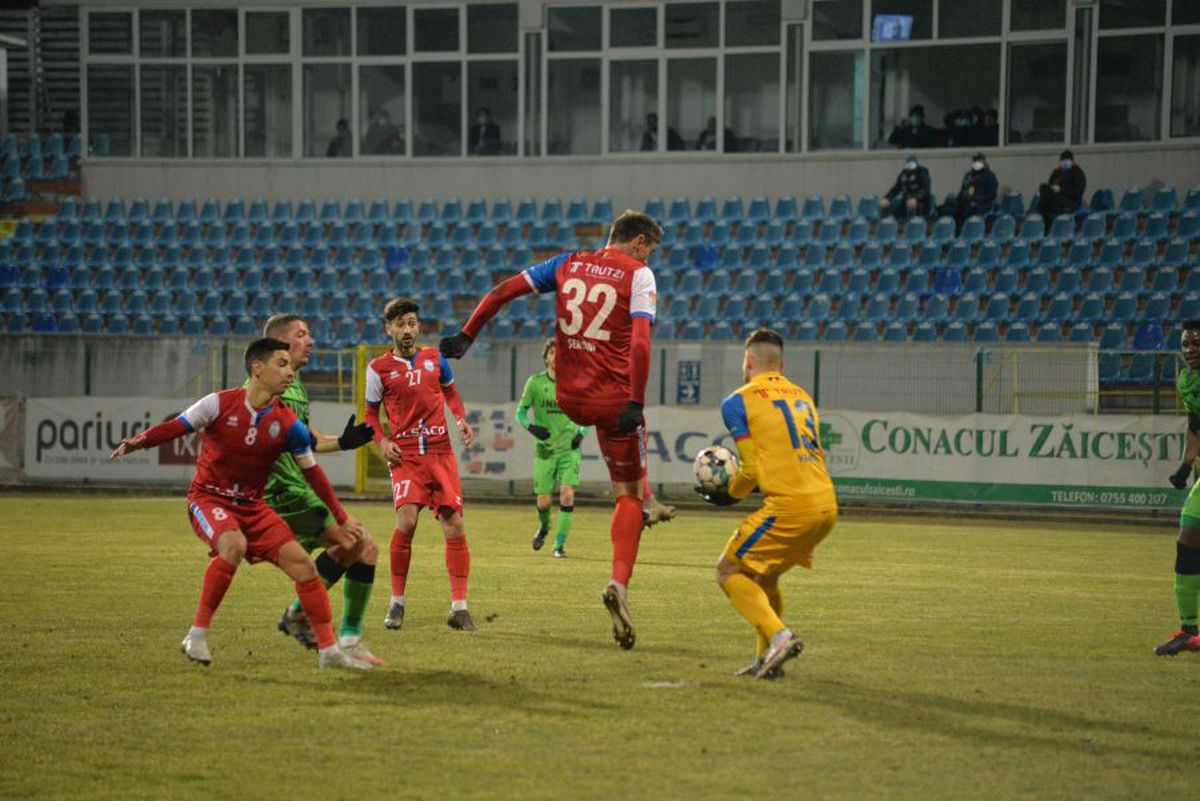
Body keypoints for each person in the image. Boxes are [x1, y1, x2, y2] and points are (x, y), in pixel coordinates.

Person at [440, 209, 674, 650]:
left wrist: (468, 336)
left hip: (568, 397)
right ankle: (619, 584)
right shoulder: (640, 273)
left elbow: (503, 290)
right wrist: (636, 401)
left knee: (604, 472)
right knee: (627, 495)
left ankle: (642, 508)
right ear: (640, 242)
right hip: (612, 402)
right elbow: (641, 342)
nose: (651, 256)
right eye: (652, 249)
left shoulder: (567, 262)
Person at [109, 338, 372, 671]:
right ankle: (197, 635)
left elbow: (314, 474)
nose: (290, 371)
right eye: (282, 364)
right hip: (208, 498)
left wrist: (342, 516)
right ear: (257, 368)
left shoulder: (288, 423)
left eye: (290, 365)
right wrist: (138, 442)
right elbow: (176, 427)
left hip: (252, 506)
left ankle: (329, 651)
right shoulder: (219, 403)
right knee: (233, 545)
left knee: (304, 566)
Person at [695, 328, 838, 679]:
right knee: (765, 575)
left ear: (747, 361)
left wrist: (729, 494)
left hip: (791, 507)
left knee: (728, 571)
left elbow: (750, 468)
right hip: (826, 505)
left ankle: (780, 637)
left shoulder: (737, 401)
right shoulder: (802, 396)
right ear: (781, 364)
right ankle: (766, 661)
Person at [260, 314, 383, 665]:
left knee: (362, 548)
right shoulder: (268, 384)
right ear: (281, 345)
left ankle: (331, 631)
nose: (311, 341)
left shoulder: (294, 386)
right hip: (284, 493)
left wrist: (344, 441)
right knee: (361, 545)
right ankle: (336, 635)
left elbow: (305, 440)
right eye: (302, 335)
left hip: (295, 490)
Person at [366, 297, 478, 633]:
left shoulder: (435, 358)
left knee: (454, 525)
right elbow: (371, 414)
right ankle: (396, 602)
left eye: (412, 323)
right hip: (407, 454)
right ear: (388, 329)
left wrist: (459, 419)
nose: (407, 330)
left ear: (419, 326)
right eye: (400, 324)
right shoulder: (378, 369)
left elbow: (451, 392)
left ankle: (459, 608)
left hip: (440, 452)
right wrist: (382, 442)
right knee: (407, 520)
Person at [518, 339, 588, 558]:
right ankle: (545, 526)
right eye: (551, 352)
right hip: (545, 451)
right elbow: (520, 412)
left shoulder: (574, 383)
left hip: (569, 449)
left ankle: (558, 546)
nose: (556, 356)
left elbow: (587, 412)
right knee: (544, 502)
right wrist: (532, 428)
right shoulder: (535, 383)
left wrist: (581, 434)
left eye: (560, 353)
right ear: (545, 357)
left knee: (567, 495)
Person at [1157, 319, 1200, 656]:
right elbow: (1195, 426)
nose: (1190, 350)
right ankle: (1189, 631)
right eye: (1186, 344)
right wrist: (1185, 466)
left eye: (1196, 344)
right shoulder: (1188, 379)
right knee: (1188, 536)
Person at [949, 152, 998, 233]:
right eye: (975, 160)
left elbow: (991, 195)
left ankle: (971, 233)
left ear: (984, 161)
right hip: (967, 203)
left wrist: (976, 199)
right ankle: (955, 234)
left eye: (979, 160)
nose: (976, 163)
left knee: (972, 210)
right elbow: (963, 191)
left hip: (982, 205)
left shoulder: (990, 176)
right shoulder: (969, 175)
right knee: (952, 209)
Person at [880, 155, 932, 220]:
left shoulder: (922, 173)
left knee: (912, 204)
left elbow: (925, 190)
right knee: (886, 207)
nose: (910, 173)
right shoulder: (903, 175)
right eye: (908, 168)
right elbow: (896, 189)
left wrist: (916, 198)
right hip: (905, 203)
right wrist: (887, 198)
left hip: (922, 204)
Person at [1037, 149, 1086, 219]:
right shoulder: (1059, 172)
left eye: (1066, 160)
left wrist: (1061, 189)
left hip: (1070, 200)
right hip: (1056, 197)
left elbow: (1077, 191)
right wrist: (1055, 171)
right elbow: (1050, 183)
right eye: (1062, 161)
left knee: (1049, 203)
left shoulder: (1077, 172)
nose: (1064, 163)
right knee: (1043, 189)